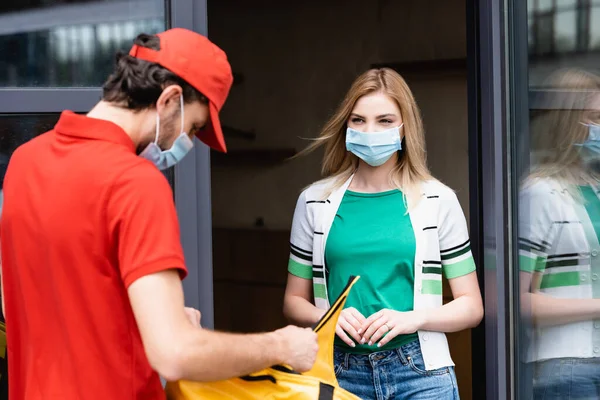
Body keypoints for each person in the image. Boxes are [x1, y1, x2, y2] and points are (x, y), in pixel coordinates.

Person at [0, 28, 318, 400]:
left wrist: (152, 317)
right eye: (194, 126)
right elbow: (175, 354)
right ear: (170, 99)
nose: (187, 141)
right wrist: (281, 345)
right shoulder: (135, 182)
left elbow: (18, 302)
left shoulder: (25, 161)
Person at [283, 68, 483, 400]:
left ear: (406, 128)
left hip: (421, 374)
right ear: (345, 126)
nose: (370, 130)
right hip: (339, 371)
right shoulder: (314, 202)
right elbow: (293, 302)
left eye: (385, 120)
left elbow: (471, 306)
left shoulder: (438, 200)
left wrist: (412, 319)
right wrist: (329, 316)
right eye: (358, 120)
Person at [518, 68, 600, 399]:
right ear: (567, 123)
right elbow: (515, 301)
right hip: (564, 367)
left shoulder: (595, 190)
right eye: (594, 117)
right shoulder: (539, 193)